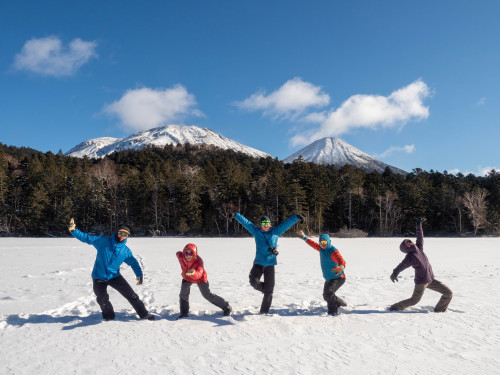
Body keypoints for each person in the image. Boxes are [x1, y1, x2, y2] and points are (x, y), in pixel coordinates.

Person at [68, 218, 154, 321]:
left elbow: (134, 263)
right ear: (117, 232)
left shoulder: (125, 251)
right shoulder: (103, 241)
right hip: (98, 277)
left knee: (132, 295)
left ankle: (144, 314)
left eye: (125, 234)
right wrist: (74, 230)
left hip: (114, 276)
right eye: (121, 233)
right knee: (102, 299)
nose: (122, 236)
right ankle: (109, 317)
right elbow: (87, 238)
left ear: (127, 236)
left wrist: (139, 275)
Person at [233, 212, 304, 314]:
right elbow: (246, 223)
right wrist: (236, 215)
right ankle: (266, 290)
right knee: (253, 282)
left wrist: (296, 217)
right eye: (263, 223)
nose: (265, 225)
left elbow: (286, 224)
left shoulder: (276, 231)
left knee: (269, 290)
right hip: (258, 263)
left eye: (267, 223)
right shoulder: (256, 232)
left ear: (270, 224)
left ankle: (264, 312)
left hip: (270, 264)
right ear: (260, 225)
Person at [389, 218, 453, 312]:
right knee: (414, 300)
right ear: (405, 248)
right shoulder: (411, 257)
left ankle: (439, 311)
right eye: (406, 243)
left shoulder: (419, 248)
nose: (409, 242)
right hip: (422, 282)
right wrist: (395, 273)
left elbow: (420, 237)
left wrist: (418, 225)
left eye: (409, 241)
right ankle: (395, 307)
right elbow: (402, 265)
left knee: (448, 293)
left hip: (430, 279)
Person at [176, 243, 232, 319]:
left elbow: (199, 273)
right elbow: (178, 253)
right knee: (183, 294)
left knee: (207, 295)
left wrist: (193, 273)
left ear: (194, 253)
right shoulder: (181, 257)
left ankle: (226, 306)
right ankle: (184, 313)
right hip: (187, 277)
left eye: (190, 253)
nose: (188, 255)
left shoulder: (199, 261)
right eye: (186, 253)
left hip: (200, 278)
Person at [297, 230, 347, 315]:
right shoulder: (321, 249)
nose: (323, 244)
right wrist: (305, 238)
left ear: (329, 242)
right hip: (329, 278)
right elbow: (313, 244)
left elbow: (341, 260)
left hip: (338, 277)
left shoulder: (333, 251)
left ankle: (333, 311)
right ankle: (339, 303)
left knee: (328, 293)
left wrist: (341, 267)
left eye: (324, 242)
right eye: (321, 242)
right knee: (326, 295)